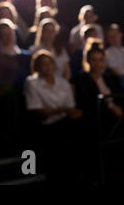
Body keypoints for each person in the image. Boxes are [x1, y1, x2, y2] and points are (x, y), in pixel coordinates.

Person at [24, 49, 83, 182]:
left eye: (50, 63)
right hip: (45, 127)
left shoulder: (62, 82)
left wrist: (71, 112)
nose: (48, 66)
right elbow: (38, 110)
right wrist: (64, 110)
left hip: (64, 123)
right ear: (37, 67)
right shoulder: (31, 83)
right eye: (43, 64)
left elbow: (71, 107)